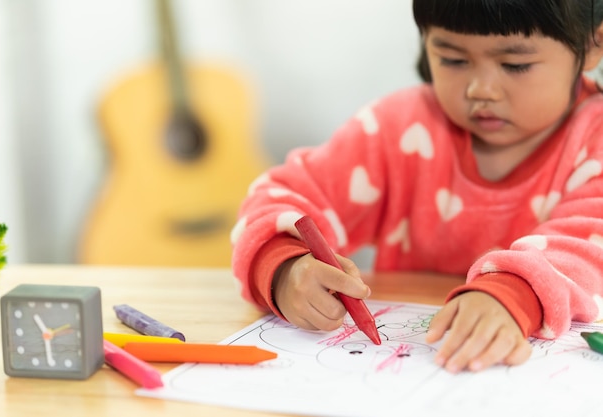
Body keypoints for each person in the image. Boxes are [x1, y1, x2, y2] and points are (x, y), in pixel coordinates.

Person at [230, 0, 603, 373]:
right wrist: (284, 269)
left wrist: (515, 294)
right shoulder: (399, 129)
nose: (480, 89)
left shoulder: (595, 136)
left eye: (515, 64)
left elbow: (590, 243)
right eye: (453, 59)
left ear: (592, 45)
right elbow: (279, 196)